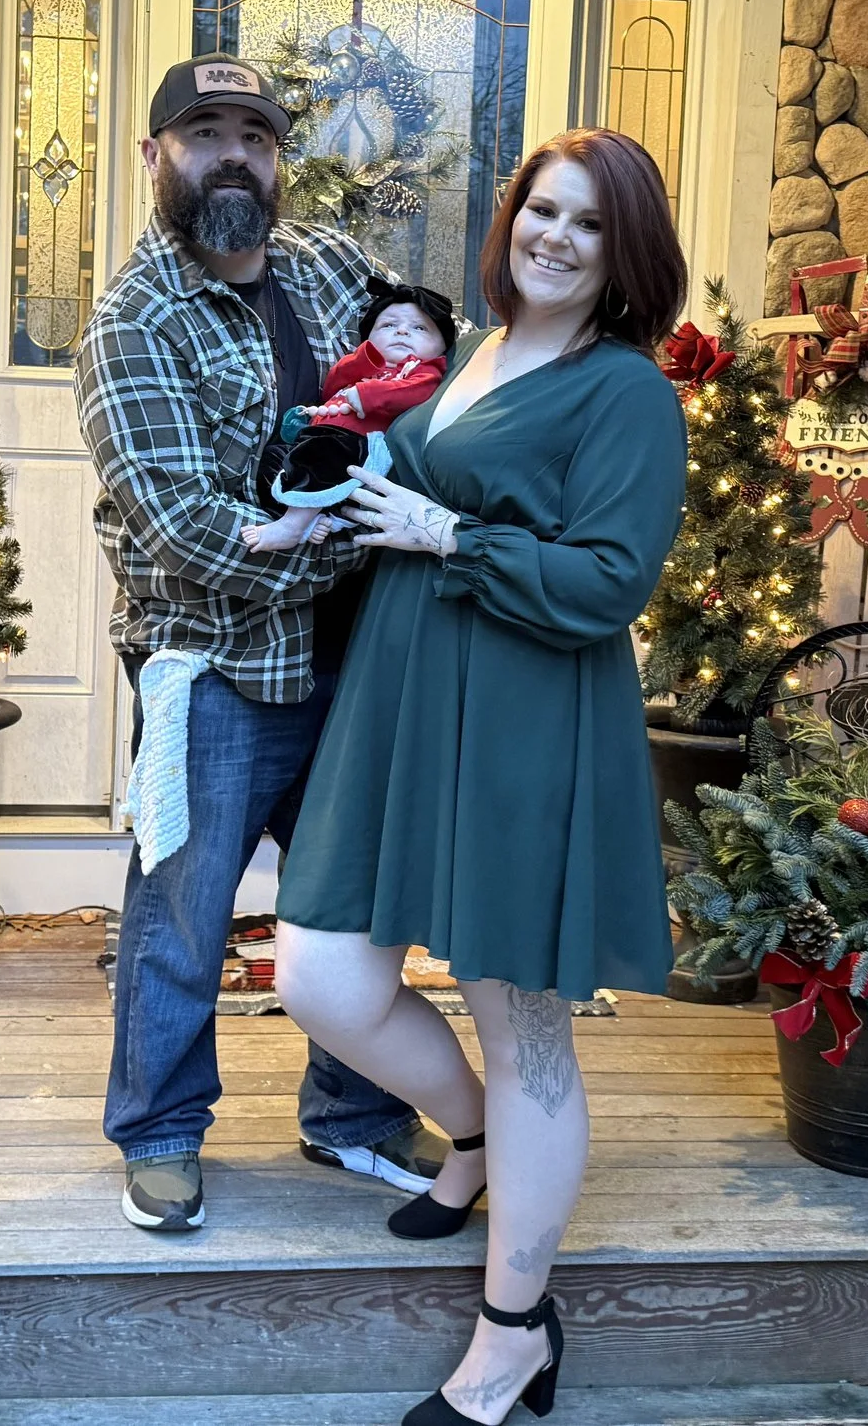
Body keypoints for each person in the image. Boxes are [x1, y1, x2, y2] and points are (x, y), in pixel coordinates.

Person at [272, 128, 690, 1426]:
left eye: (588, 223)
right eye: (540, 209)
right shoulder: (476, 354)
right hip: (406, 702)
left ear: (625, 256)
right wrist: (334, 491)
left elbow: (612, 579)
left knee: (526, 1026)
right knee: (321, 972)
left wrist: (448, 528)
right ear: (510, 217)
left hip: (524, 719)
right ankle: (468, 1142)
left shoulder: (628, 392)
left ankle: (513, 1331)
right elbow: (414, 489)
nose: (554, 236)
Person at [74, 52, 448, 1233]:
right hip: (216, 673)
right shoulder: (130, 326)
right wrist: (394, 540)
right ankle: (161, 1131)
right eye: (202, 133)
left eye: (255, 134)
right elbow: (195, 537)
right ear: (154, 158)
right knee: (184, 912)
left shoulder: (336, 266)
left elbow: (425, 369)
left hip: (361, 660)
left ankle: (355, 1115)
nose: (232, 153)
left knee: (353, 905)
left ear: (277, 160)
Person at [241, 279, 455, 552]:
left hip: (359, 444)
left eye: (419, 328)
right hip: (321, 435)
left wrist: (370, 395)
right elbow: (332, 385)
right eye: (388, 325)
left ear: (441, 347)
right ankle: (311, 516)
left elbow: (413, 394)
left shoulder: (422, 371)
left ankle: (292, 527)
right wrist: (363, 359)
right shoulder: (364, 366)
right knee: (274, 459)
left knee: (322, 454)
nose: (401, 331)